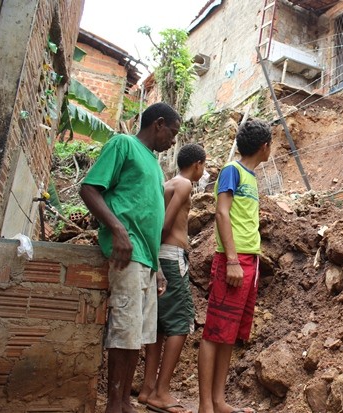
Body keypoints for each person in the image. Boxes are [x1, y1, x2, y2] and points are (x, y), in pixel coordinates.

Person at [80, 102, 180, 413]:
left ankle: (124, 404)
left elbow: (148, 217)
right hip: (128, 254)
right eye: (173, 133)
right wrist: (117, 229)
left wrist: (158, 267)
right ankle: (114, 404)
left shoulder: (154, 164)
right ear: (159, 124)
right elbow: (89, 189)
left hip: (147, 262)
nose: (173, 141)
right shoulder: (124, 144)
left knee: (137, 335)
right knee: (124, 330)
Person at [197, 119, 272, 413]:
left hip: (248, 261)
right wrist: (230, 260)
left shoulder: (251, 177)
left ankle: (218, 401)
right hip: (234, 260)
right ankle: (205, 405)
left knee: (228, 334)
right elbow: (222, 213)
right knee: (214, 332)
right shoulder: (233, 171)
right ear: (265, 146)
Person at [138, 143, 207, 413]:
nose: (204, 170)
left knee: (159, 325)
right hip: (172, 256)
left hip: (159, 256)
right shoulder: (184, 185)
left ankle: (146, 389)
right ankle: (162, 391)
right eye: (205, 165)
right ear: (197, 164)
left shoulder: (167, 182)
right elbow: (165, 224)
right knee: (181, 323)